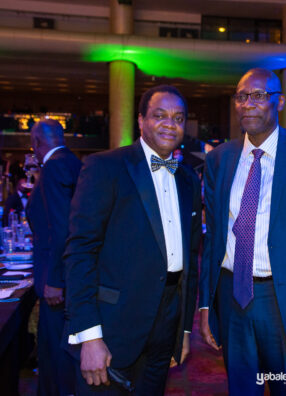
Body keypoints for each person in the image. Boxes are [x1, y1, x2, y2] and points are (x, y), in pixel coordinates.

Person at [63, 85, 202, 395]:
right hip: (112, 326)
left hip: (166, 324)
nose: (170, 124)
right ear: (141, 121)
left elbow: (190, 260)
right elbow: (81, 252)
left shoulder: (188, 179)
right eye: (159, 115)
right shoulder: (105, 167)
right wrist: (89, 336)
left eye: (178, 118)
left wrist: (183, 330)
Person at [199, 68, 286, 395]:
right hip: (232, 295)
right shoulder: (219, 159)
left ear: (280, 101)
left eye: (259, 95)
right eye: (241, 97)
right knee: (243, 387)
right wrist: (205, 305)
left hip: (284, 299)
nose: (248, 104)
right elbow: (213, 238)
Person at [26, 119, 82, 396]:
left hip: (58, 282)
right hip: (69, 275)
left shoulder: (55, 167)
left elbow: (62, 228)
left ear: (36, 142)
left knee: (56, 355)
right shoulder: (73, 162)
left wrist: (55, 280)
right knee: (63, 351)